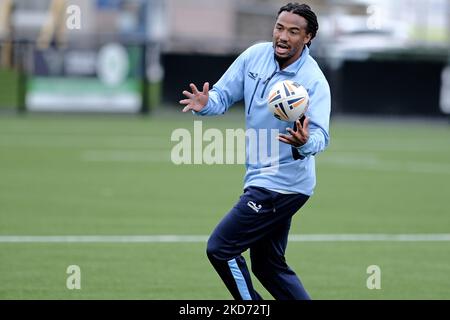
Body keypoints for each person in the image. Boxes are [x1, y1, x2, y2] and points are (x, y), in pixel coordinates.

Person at [179, 3, 331, 300]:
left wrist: (303, 142)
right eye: (279, 27)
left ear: (308, 37)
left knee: (221, 249)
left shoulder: (314, 81)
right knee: (268, 266)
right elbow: (222, 95)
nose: (283, 36)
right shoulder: (254, 56)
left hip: (282, 185)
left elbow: (321, 137)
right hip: (260, 177)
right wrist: (205, 104)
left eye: (293, 31)